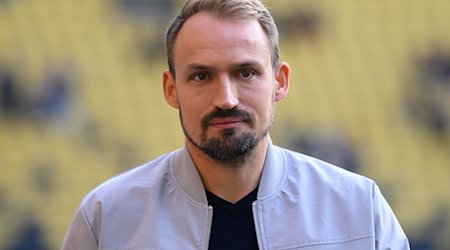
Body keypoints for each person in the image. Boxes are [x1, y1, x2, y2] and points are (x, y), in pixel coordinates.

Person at [61, 0, 410, 249]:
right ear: (171, 89)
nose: (226, 98)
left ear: (279, 81)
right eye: (201, 76)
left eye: (246, 72)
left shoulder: (360, 210)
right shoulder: (106, 218)